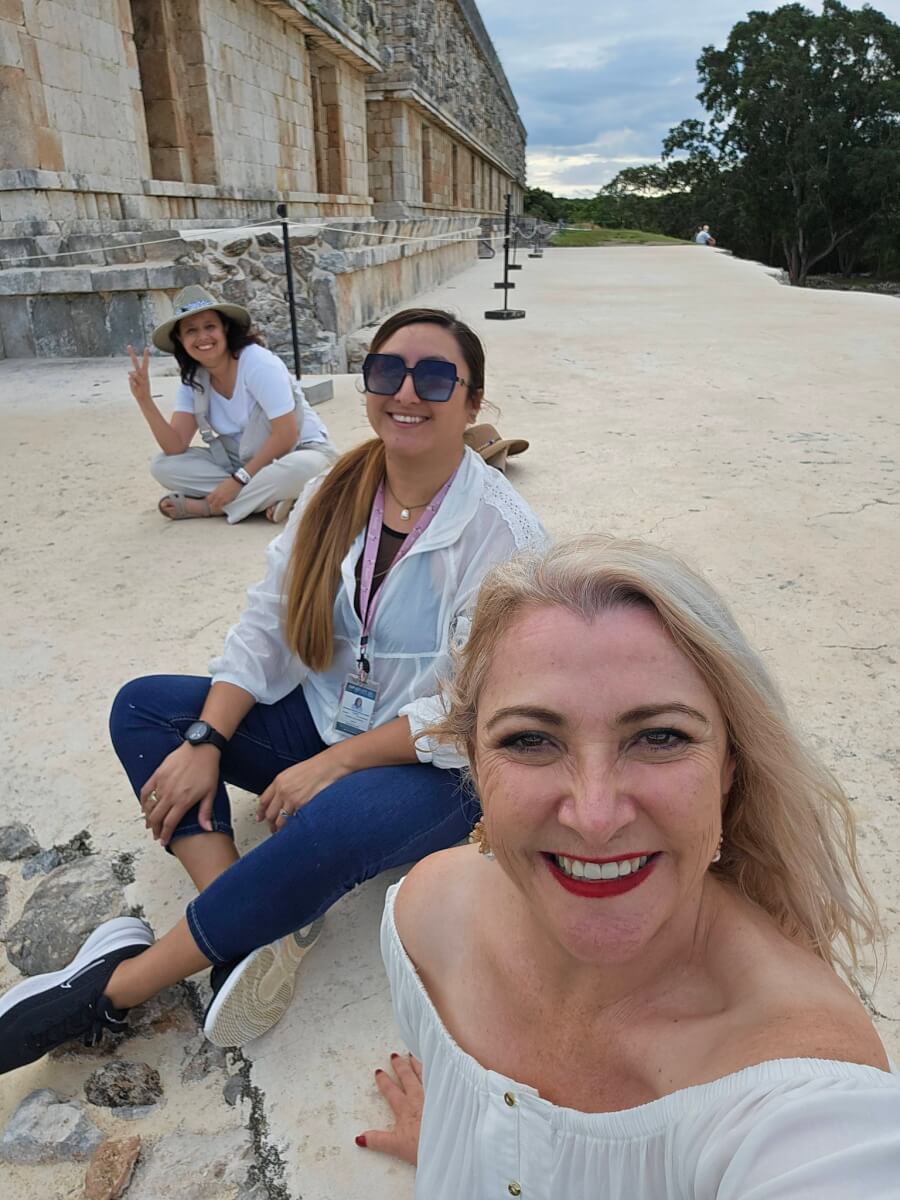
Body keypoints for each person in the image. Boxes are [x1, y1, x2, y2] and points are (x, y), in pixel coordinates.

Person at [0, 308, 546, 1075]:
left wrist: (334, 764)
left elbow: (475, 715)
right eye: (387, 372)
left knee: (330, 823)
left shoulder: (506, 535)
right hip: (321, 713)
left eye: (434, 377)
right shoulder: (334, 490)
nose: (406, 393)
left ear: (473, 399)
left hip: (431, 765)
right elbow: (265, 623)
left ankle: (113, 990)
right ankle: (245, 917)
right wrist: (206, 740)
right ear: (367, 386)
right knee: (143, 708)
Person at [358, 537, 900, 1195]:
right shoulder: (423, 923)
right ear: (474, 761)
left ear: (730, 768)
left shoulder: (804, 1094)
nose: (595, 817)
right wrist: (456, 1134)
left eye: (661, 737)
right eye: (530, 739)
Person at [127, 284, 338, 524]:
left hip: (298, 451)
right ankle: (267, 498)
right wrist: (145, 400)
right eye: (191, 331)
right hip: (239, 460)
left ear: (225, 328)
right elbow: (175, 446)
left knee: (302, 469)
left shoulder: (257, 363)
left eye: (210, 327)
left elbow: (287, 435)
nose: (203, 337)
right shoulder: (194, 379)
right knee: (163, 465)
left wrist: (239, 480)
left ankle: (211, 507)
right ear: (180, 339)